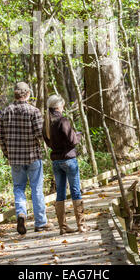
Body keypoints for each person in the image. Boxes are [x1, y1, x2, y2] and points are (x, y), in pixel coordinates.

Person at [0, 82, 53, 235]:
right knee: (36, 188)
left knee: (18, 188)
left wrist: (7, 153)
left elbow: (0, 137)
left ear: (15, 94)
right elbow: (39, 134)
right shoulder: (33, 111)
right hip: (32, 156)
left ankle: (21, 214)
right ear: (27, 94)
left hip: (15, 158)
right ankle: (40, 222)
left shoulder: (5, 112)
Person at [43, 94, 89, 235]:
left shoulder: (46, 123)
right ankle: (81, 225)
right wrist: (79, 135)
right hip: (69, 159)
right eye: (62, 105)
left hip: (56, 161)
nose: (63, 108)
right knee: (75, 190)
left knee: (60, 193)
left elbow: (49, 143)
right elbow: (72, 141)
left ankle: (63, 227)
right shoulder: (63, 120)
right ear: (58, 106)